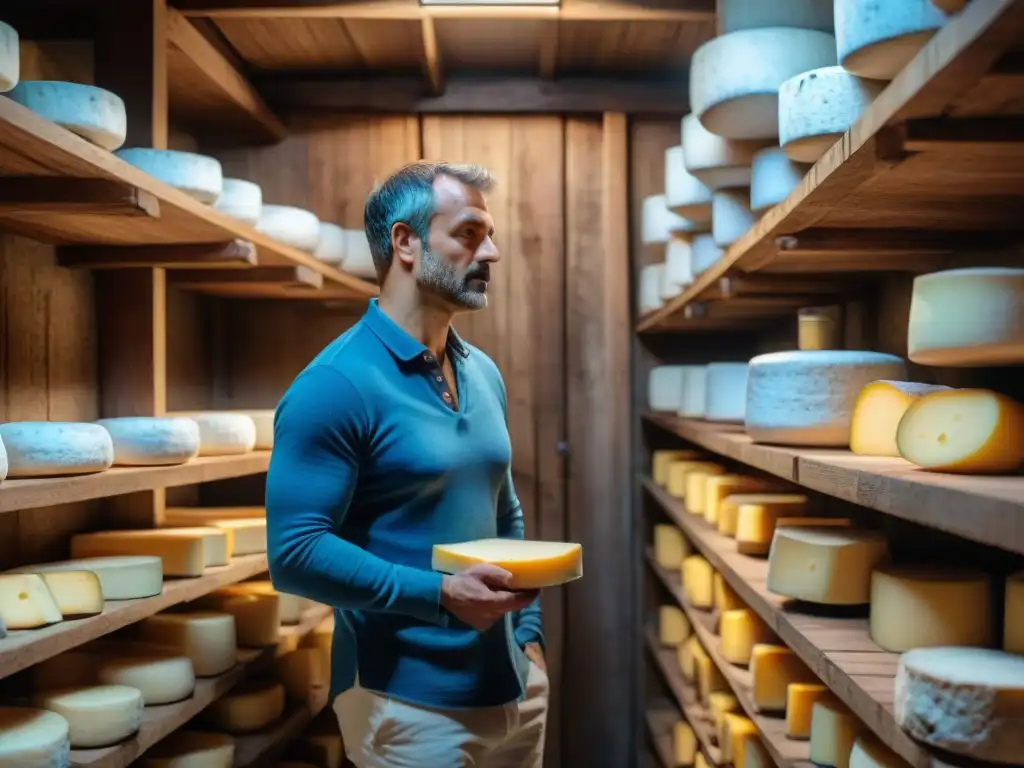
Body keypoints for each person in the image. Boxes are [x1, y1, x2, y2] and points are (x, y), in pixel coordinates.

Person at [266, 161, 549, 768]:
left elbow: (506, 508)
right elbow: (295, 553)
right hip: (407, 708)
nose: (492, 252)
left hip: (514, 690)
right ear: (406, 243)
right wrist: (441, 593)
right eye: (470, 234)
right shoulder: (334, 384)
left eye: (490, 235)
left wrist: (530, 640)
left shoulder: (482, 371)